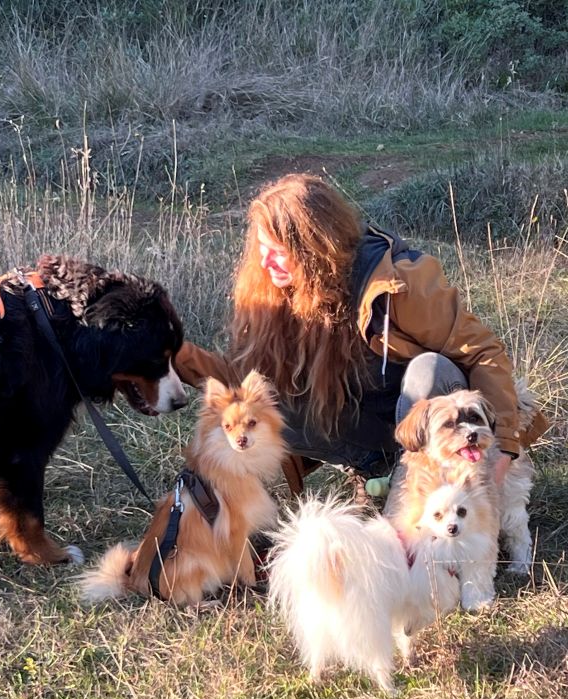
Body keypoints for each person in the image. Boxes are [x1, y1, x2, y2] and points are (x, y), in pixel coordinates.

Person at [175, 173, 548, 494]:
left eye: (278, 252)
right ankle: (379, 469)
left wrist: (504, 451)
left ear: (314, 249)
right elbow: (245, 385)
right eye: (262, 252)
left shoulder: (395, 282)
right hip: (368, 427)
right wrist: (172, 355)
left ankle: (427, 485)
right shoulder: (274, 293)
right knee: (272, 406)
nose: (266, 263)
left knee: (430, 370)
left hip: (430, 417)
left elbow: (483, 352)